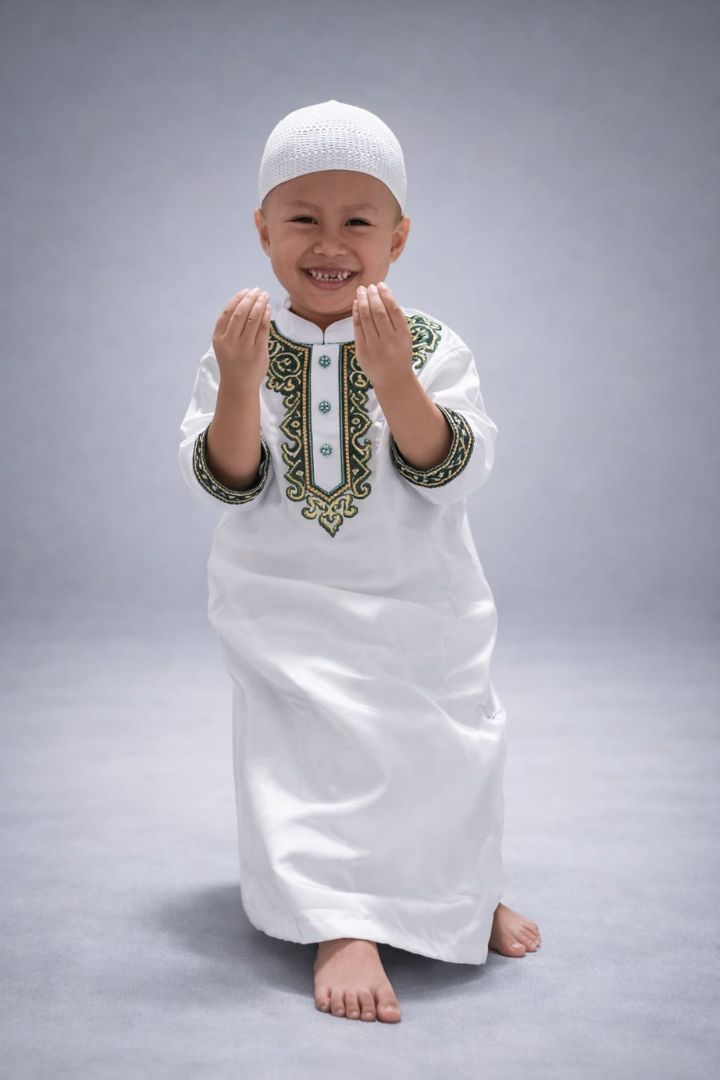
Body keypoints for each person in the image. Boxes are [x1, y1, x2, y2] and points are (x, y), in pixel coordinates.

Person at [178, 99, 541, 1024]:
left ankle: (458, 897)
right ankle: (341, 921)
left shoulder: (432, 346)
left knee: (447, 755)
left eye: (358, 222)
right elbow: (230, 481)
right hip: (285, 609)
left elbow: (451, 465)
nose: (330, 243)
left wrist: (394, 378)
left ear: (399, 237)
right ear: (263, 230)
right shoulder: (240, 344)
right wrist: (239, 383)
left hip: (421, 604)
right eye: (303, 217)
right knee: (308, 763)